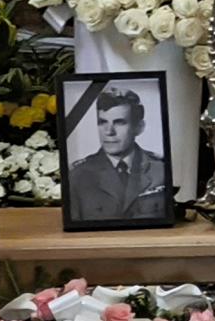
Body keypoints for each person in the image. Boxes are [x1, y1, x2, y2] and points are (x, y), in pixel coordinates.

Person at [68, 86, 173, 225]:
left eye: (119, 122)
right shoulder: (78, 176)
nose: (109, 132)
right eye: (102, 122)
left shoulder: (160, 169)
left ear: (139, 127)